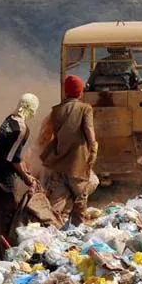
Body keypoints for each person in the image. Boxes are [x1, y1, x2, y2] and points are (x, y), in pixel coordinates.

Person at [0, 93, 39, 260]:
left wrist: (26, 171)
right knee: (7, 218)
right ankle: (8, 255)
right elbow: (13, 158)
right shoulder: (21, 128)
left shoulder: (9, 120)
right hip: (2, 180)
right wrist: (26, 178)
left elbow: (14, 154)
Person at [40, 75, 99, 229]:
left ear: (66, 92)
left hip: (58, 161)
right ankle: (77, 226)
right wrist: (93, 150)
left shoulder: (56, 110)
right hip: (77, 161)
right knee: (83, 193)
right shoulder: (85, 108)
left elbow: (46, 135)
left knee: (57, 201)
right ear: (79, 92)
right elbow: (89, 131)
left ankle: (51, 229)